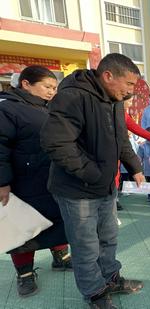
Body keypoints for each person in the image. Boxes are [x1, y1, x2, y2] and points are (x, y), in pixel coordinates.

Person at [40, 53, 145, 308]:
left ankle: (111, 278)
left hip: (105, 188)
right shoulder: (73, 96)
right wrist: (93, 174)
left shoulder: (115, 101)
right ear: (108, 76)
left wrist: (135, 167)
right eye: (129, 84)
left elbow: (121, 140)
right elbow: (56, 142)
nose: (131, 91)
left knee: (109, 237)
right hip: (78, 190)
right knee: (86, 245)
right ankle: (95, 293)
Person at [0, 65, 72, 298]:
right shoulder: (8, 108)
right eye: (47, 86)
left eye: (54, 87)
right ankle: (25, 274)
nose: (52, 91)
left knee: (57, 219)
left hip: (50, 176)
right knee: (22, 228)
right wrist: (2, 181)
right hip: (22, 182)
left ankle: (61, 257)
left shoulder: (48, 108)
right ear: (26, 84)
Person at [137, 127, 150, 202]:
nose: (149, 139)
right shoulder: (142, 146)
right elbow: (139, 157)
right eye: (147, 137)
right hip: (147, 168)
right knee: (149, 182)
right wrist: (138, 166)